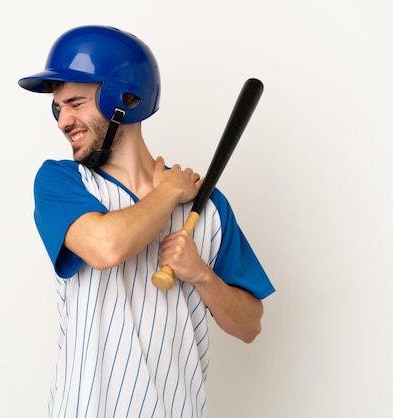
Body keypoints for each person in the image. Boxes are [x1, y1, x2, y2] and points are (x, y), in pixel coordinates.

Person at [18, 25, 275, 418]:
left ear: (127, 99)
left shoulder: (208, 207)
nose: (62, 121)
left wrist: (203, 275)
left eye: (75, 103)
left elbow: (250, 325)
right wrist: (168, 193)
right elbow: (106, 247)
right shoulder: (62, 181)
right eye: (57, 108)